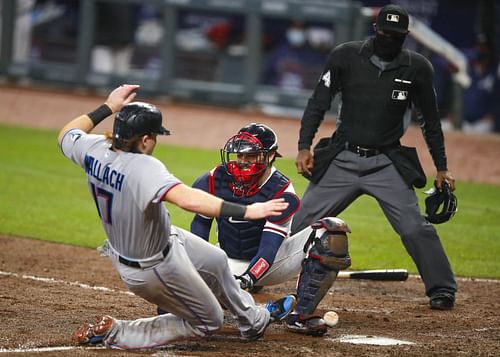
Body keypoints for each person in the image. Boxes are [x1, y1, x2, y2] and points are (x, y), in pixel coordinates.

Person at [57, 84, 296, 350]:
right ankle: (117, 332)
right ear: (145, 140)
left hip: (165, 239)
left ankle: (253, 321)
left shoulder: (94, 148)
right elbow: (187, 199)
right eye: (155, 137)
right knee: (210, 321)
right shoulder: (143, 167)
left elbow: (66, 134)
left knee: (216, 260)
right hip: (150, 265)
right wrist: (249, 211)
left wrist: (109, 107)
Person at [292, 4, 457, 310]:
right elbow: (318, 102)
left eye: (396, 35)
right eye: (385, 33)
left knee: (414, 227)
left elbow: (431, 122)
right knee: (298, 224)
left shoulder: (418, 67)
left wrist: (442, 167)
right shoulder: (345, 56)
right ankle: (258, 275)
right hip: (342, 157)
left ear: (405, 36)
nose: (389, 39)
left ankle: (442, 288)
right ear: (375, 31)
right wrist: (304, 146)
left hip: (386, 162)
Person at [188, 123, 352, 336]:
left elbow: (269, 247)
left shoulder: (281, 190)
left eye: (252, 156)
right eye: (240, 156)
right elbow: (200, 225)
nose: (243, 163)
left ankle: (301, 316)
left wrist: (248, 278)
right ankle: (232, 298)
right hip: (227, 261)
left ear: (271, 155)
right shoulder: (214, 179)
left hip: (275, 261)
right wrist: (196, 268)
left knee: (332, 232)